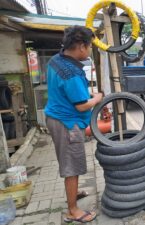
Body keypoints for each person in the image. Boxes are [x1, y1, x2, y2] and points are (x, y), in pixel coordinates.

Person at [45, 25, 103, 223]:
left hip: (54, 117)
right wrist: (97, 98)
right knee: (72, 166)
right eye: (88, 47)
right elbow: (81, 106)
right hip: (67, 123)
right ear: (80, 46)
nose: (88, 51)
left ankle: (74, 192)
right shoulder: (72, 73)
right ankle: (72, 210)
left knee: (67, 160)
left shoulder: (55, 60)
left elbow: (66, 92)